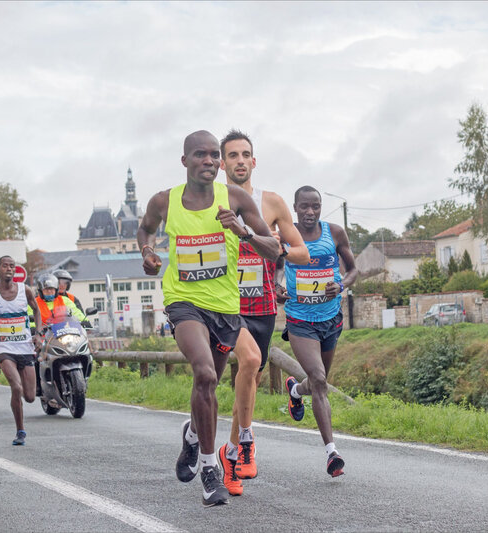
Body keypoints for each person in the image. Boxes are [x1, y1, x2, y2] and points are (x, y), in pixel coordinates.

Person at [137, 130, 278, 507]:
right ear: (185, 161)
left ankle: (192, 435)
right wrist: (148, 252)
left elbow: (274, 248)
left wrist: (242, 231)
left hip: (225, 309)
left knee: (209, 387)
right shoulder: (164, 201)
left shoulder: (235, 199)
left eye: (214, 155)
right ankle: (209, 468)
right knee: (206, 374)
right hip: (183, 302)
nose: (210, 161)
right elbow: (145, 228)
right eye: (201, 155)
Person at [217, 129, 310, 495]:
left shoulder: (271, 203)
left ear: (253, 161)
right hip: (224, 305)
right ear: (222, 163)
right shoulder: (210, 203)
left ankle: (230, 455)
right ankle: (242, 440)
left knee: (250, 378)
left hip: (262, 304)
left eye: (245, 155)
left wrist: (276, 251)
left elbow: (301, 251)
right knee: (247, 362)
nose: (239, 161)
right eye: (233, 155)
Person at [280, 185, 357, 477]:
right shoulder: (286, 235)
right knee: (321, 380)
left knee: (316, 383)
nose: (310, 212)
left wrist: (342, 284)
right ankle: (332, 453)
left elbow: (352, 269)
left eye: (315, 207)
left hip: (330, 318)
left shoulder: (335, 233)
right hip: (300, 320)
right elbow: (274, 267)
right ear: (295, 207)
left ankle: (296, 390)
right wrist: (277, 287)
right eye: (304, 207)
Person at [0, 255, 42, 446]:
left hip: (24, 346)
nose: (9, 269)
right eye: (5, 266)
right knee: (16, 387)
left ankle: (20, 402)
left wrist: (37, 333)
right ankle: (20, 431)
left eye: (12, 266)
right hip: (3, 348)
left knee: (30, 397)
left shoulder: (26, 291)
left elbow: (37, 311)